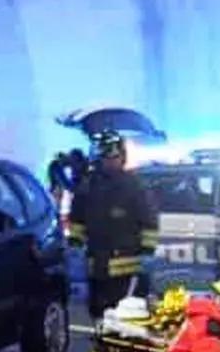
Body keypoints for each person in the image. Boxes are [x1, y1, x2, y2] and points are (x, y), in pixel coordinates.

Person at [67, 130, 158, 321]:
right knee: (99, 315)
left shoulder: (134, 186)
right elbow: (77, 220)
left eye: (113, 157)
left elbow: (149, 222)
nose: (109, 162)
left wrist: (148, 252)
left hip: (129, 270)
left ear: (122, 157)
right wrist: (75, 246)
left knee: (130, 319)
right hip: (97, 269)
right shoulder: (88, 186)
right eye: (106, 158)